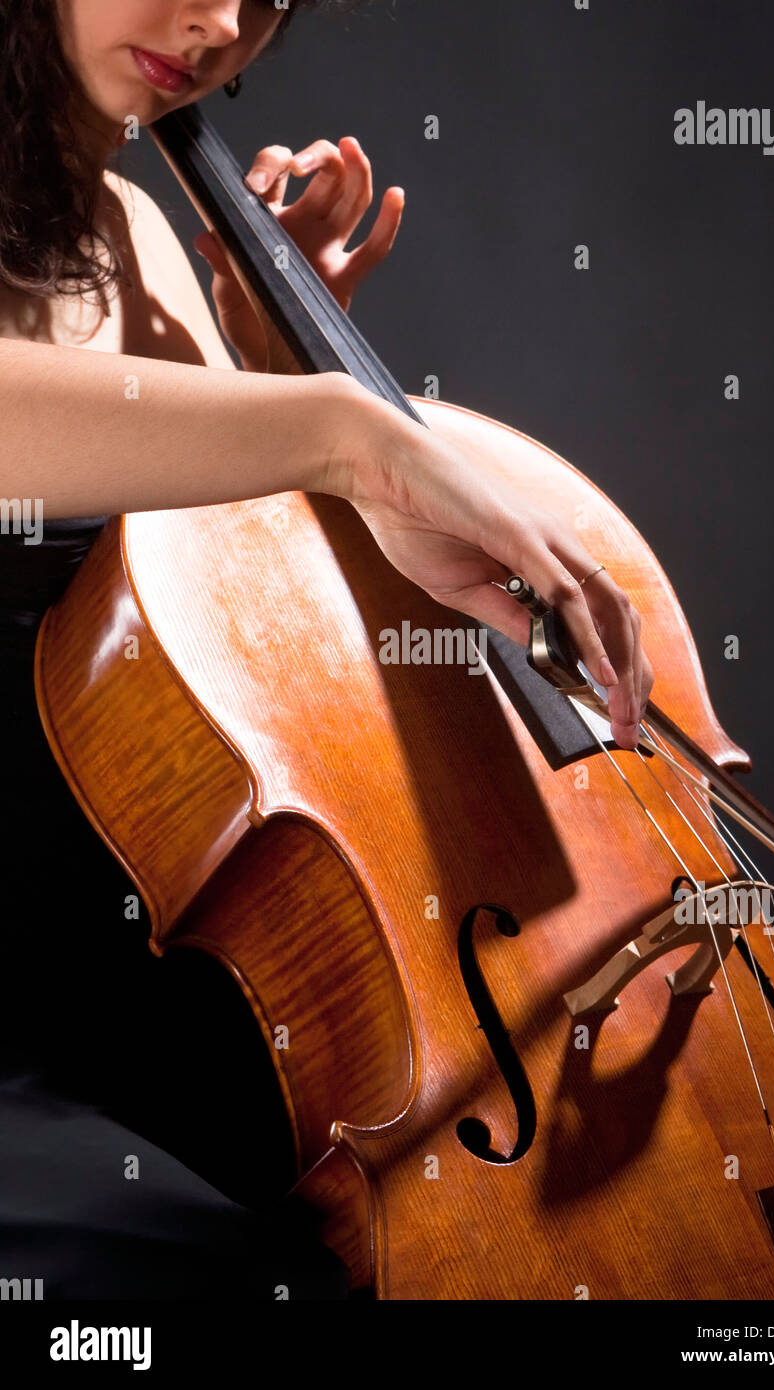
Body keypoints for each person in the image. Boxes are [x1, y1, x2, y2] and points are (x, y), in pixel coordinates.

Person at [0, 0, 653, 1299]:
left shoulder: (145, 237)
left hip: (140, 991)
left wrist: (252, 345)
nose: (222, 21)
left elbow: (212, 641)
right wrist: (341, 426)